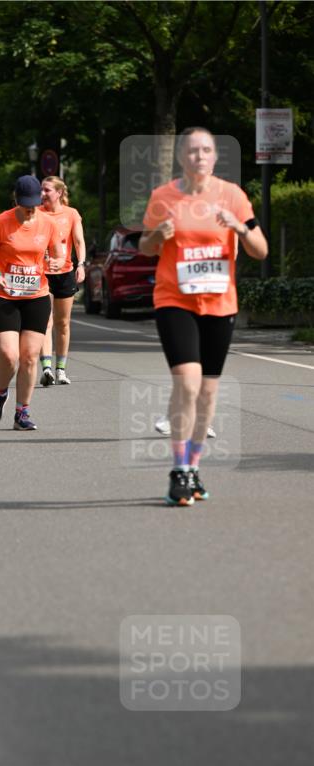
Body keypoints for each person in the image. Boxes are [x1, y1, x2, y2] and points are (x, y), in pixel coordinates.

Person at [139, 127, 267, 506]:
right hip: (174, 299)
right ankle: (178, 470)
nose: (199, 156)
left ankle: (194, 467)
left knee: (208, 393)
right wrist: (158, 235)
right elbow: (145, 247)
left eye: (206, 150)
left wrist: (240, 228)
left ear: (214, 157)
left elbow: (260, 250)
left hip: (219, 302)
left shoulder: (232, 196)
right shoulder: (163, 197)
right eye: (192, 151)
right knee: (188, 384)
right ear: (182, 157)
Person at [0, 176, 63, 431]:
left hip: (36, 297)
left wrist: (56, 263)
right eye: (26, 204)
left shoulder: (47, 223)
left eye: (34, 204)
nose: (30, 209)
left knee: (29, 358)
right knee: (9, 356)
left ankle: (22, 413)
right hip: (4, 296)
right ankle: (1, 392)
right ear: (16, 199)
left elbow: (58, 254)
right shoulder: (1, 223)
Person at [38, 176, 86, 386]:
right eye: (42, 190)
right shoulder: (37, 213)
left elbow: (78, 241)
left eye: (47, 190)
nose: (43, 194)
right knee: (45, 322)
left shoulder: (71, 214)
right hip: (41, 274)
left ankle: (61, 370)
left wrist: (81, 264)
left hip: (65, 273)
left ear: (58, 192)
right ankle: (47, 368)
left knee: (63, 323)